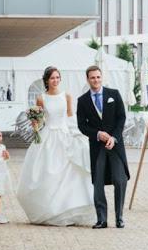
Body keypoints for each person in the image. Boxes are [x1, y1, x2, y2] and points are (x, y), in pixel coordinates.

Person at [17, 66, 95, 226]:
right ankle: (49, 210)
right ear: (47, 80)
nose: (55, 80)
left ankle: (68, 209)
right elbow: (39, 120)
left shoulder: (66, 95)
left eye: (58, 77)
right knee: (47, 173)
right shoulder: (41, 98)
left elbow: (69, 116)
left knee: (70, 172)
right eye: (52, 78)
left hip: (64, 135)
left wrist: (78, 134)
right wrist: (35, 124)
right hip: (48, 137)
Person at [76, 65, 130, 229]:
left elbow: (121, 118)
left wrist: (114, 137)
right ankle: (101, 219)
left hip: (115, 146)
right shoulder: (82, 100)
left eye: (98, 77)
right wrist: (98, 134)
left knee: (120, 180)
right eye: (92, 77)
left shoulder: (114, 94)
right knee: (98, 182)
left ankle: (119, 217)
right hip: (97, 147)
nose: (96, 80)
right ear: (88, 79)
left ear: (102, 77)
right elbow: (81, 125)